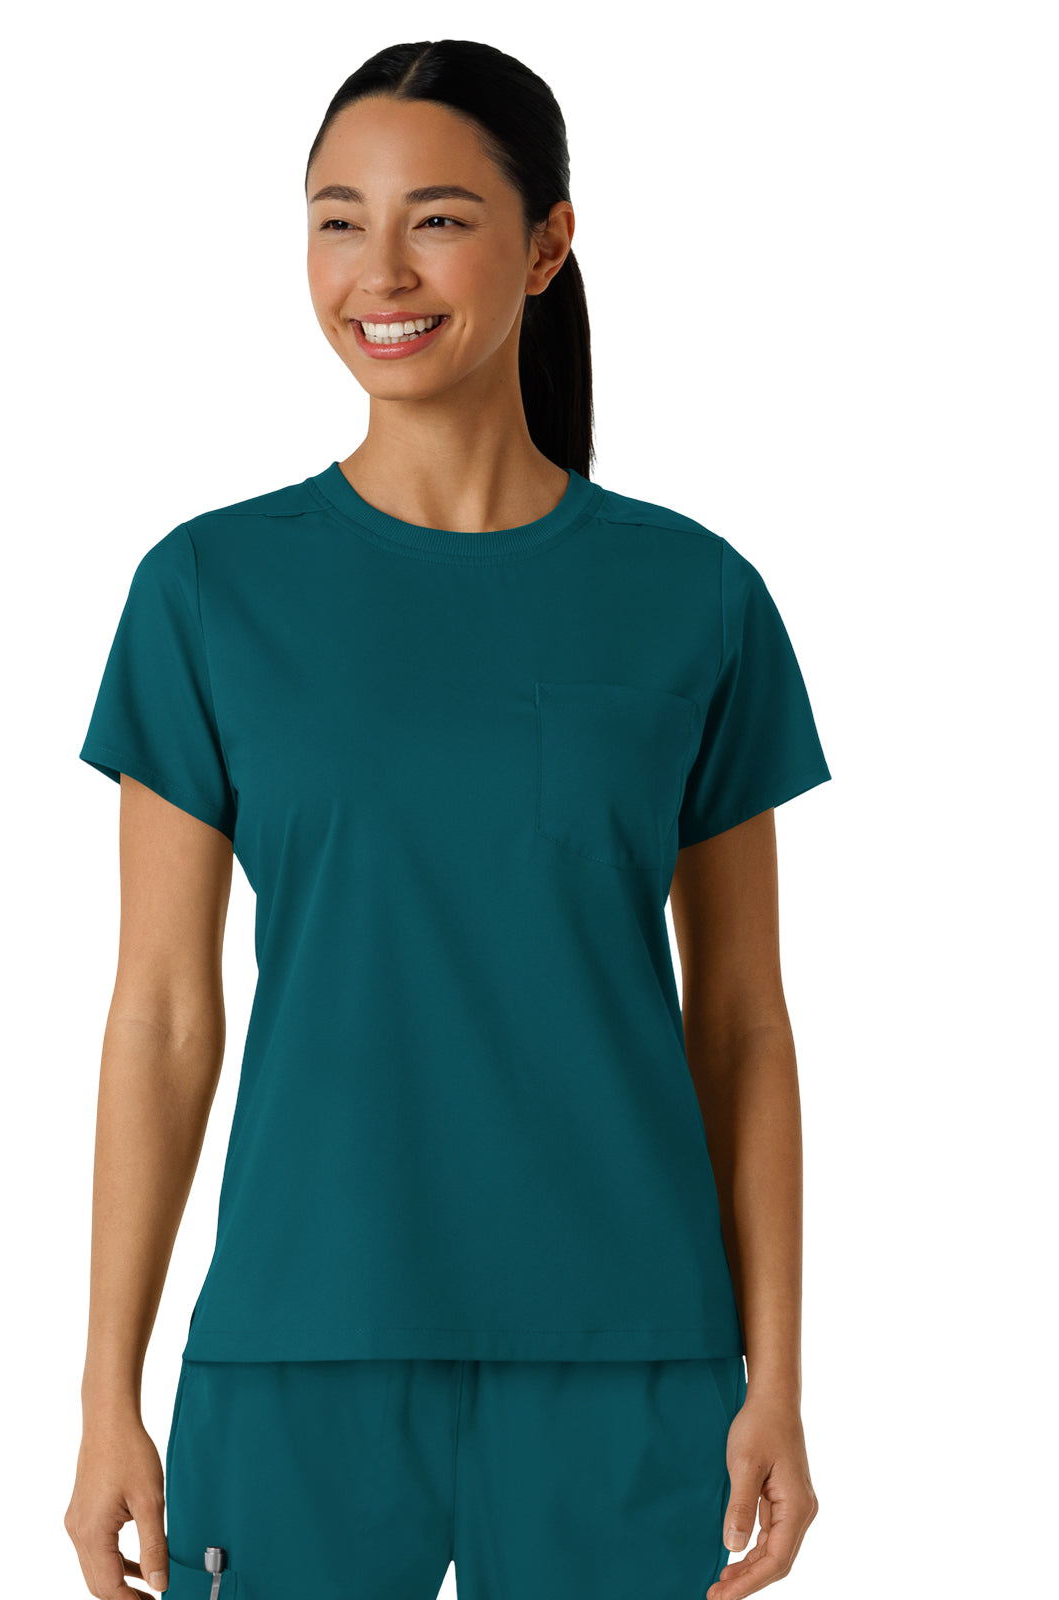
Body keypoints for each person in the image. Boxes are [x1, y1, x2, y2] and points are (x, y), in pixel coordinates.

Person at [64, 38, 829, 1600]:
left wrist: (779, 1376)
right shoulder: (207, 592)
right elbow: (161, 1016)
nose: (381, 272)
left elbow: (743, 1022)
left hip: (630, 1356)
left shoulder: (695, 598)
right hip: (298, 1348)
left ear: (548, 245)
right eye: (338, 220)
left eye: (439, 219)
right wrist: (104, 1394)